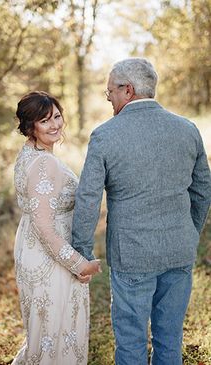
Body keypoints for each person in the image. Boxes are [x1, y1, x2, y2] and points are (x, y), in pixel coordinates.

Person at [72, 58, 211, 365]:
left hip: (132, 256)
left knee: (132, 343)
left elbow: (88, 199)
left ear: (128, 90)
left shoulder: (105, 136)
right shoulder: (187, 129)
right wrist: (189, 232)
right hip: (179, 251)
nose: (108, 97)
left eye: (110, 91)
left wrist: (80, 252)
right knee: (170, 340)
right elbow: (203, 189)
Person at [12, 91, 101, 365]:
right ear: (30, 126)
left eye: (57, 117)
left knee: (45, 335)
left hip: (33, 248)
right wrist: (79, 264)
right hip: (49, 259)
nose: (55, 125)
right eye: (44, 121)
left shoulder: (29, 152)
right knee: (56, 335)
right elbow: (43, 226)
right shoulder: (44, 163)